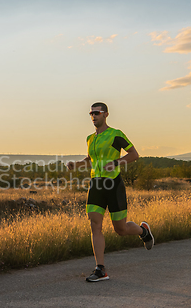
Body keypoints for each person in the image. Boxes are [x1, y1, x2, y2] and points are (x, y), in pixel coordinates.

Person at [66, 102, 154, 282]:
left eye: (96, 113)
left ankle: (143, 231)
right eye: (91, 113)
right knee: (94, 224)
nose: (93, 116)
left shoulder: (116, 135)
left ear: (106, 114)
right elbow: (91, 159)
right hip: (96, 185)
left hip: (114, 185)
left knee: (120, 229)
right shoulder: (90, 138)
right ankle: (100, 269)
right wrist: (77, 164)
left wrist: (116, 163)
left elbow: (134, 155)